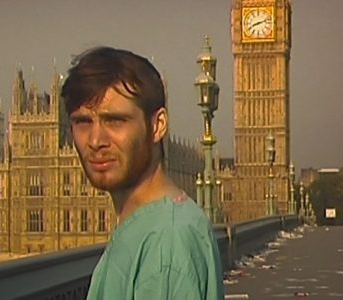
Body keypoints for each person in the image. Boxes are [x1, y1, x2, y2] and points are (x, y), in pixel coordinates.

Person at [61, 47, 224, 300]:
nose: (95, 140)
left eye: (115, 121)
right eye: (82, 122)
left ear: (158, 126)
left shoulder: (165, 245)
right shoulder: (154, 226)